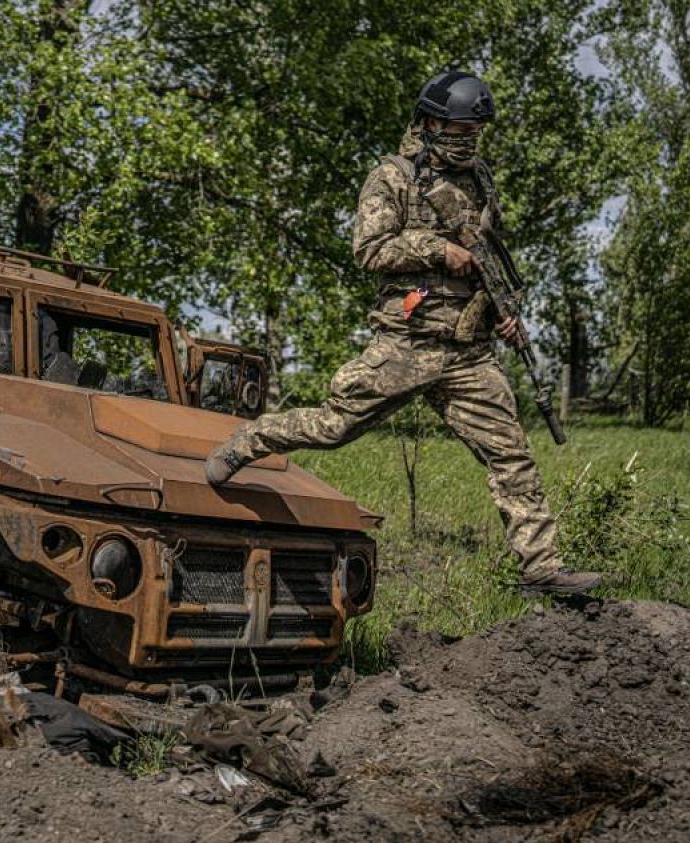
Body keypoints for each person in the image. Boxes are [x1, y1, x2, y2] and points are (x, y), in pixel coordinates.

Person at [203, 71, 601, 597]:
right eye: (460, 130)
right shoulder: (392, 177)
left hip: (467, 354)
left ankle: (541, 570)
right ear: (432, 122)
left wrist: (502, 313)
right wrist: (438, 251)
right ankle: (248, 440)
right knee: (334, 426)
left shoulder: (479, 180)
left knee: (512, 455)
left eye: (476, 132)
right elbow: (370, 249)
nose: (469, 140)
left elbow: (488, 258)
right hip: (406, 345)